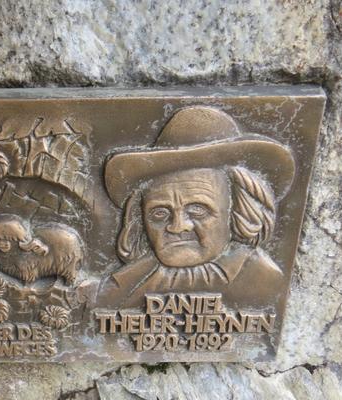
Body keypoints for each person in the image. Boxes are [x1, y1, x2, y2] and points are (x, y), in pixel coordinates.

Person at [99, 106, 295, 308]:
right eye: (159, 213)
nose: (177, 226)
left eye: (197, 210)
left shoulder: (266, 280)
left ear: (238, 212)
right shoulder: (118, 288)